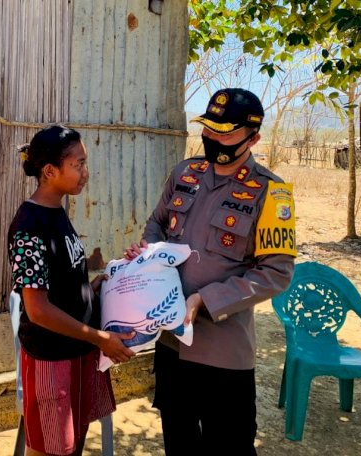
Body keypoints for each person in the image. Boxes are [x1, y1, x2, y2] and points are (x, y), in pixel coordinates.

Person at [125, 88, 297, 455]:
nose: (214, 139)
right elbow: (157, 223)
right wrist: (150, 262)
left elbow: (276, 272)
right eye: (209, 129)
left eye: (227, 132)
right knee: (180, 444)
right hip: (172, 347)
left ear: (253, 137)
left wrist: (206, 299)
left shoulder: (272, 192)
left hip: (224, 356)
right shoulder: (185, 173)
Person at [7, 125, 135, 456]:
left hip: (77, 352)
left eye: (84, 163)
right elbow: (38, 310)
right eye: (78, 165)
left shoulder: (57, 212)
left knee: (72, 446)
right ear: (50, 171)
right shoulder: (29, 227)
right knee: (52, 448)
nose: (85, 173)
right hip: (53, 361)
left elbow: (61, 283)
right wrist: (98, 337)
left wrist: (96, 286)